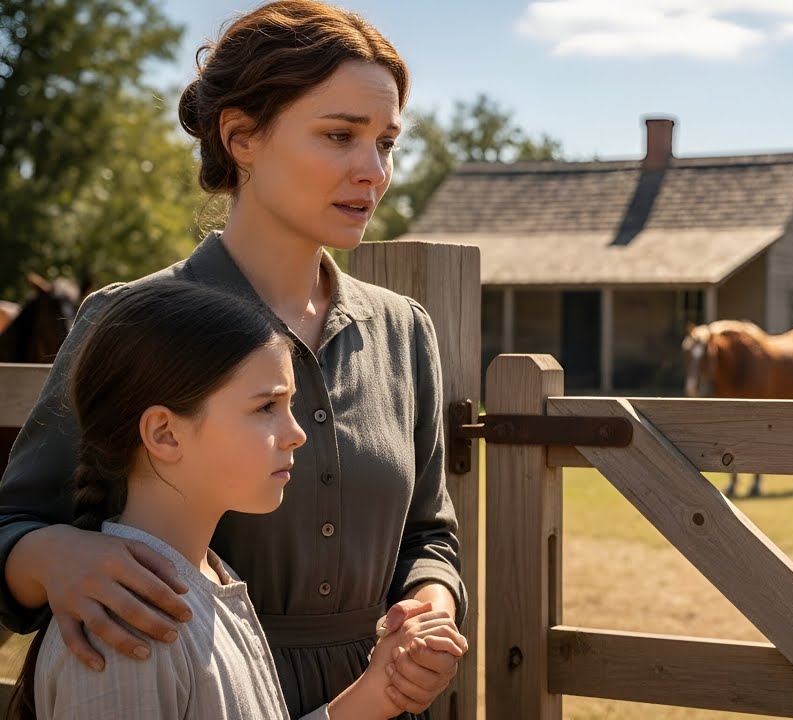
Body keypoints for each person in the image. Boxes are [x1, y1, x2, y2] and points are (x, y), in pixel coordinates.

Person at [0, 2, 467, 716]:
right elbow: (13, 525)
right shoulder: (129, 320)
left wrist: (427, 610)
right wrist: (53, 557)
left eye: (386, 142)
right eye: (340, 135)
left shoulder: (405, 329)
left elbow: (430, 533)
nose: (373, 171)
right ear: (241, 136)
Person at [12, 281, 462, 719]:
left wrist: (376, 692)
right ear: (165, 434)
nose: (298, 433)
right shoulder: (126, 630)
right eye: (266, 407)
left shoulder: (207, 581)